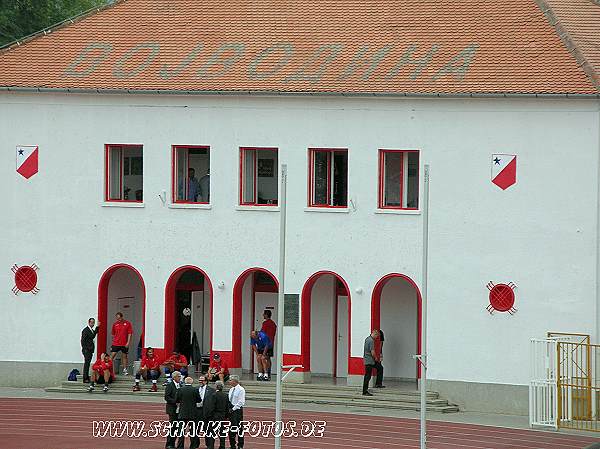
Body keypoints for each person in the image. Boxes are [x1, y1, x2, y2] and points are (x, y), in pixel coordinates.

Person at [176, 377, 201, 449]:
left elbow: (177, 399)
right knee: (193, 430)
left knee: (181, 430)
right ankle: (193, 446)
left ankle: (180, 446)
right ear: (191, 382)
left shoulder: (180, 389)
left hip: (182, 412)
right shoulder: (195, 390)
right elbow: (199, 400)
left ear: (185, 382)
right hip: (192, 413)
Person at [204, 380, 228, 449]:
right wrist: (226, 416)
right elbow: (227, 407)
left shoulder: (213, 395)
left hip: (214, 416)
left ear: (216, 387)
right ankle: (222, 446)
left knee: (212, 431)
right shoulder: (225, 395)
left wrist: (208, 416)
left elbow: (211, 407)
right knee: (222, 432)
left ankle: (211, 446)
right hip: (222, 416)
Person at [164, 371, 182, 449]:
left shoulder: (181, 385)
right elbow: (167, 397)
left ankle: (173, 443)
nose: (180, 378)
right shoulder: (169, 386)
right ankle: (169, 444)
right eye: (179, 376)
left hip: (179, 410)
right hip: (172, 409)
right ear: (174, 377)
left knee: (177, 427)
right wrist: (175, 402)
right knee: (173, 427)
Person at [362, 329, 383, 396]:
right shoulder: (371, 340)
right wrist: (376, 358)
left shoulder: (367, 339)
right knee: (367, 376)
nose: (376, 338)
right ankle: (364, 391)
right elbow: (372, 351)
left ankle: (378, 384)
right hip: (370, 361)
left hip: (369, 360)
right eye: (377, 336)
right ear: (375, 334)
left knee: (380, 368)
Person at [197, 375, 215, 449]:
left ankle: (209, 445)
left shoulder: (211, 390)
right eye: (199, 380)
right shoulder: (195, 389)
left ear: (206, 381)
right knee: (196, 429)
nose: (200, 382)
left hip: (207, 413)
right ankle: (195, 444)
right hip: (197, 412)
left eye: (202, 380)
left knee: (208, 429)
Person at [228, 376, 245, 449]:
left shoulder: (241, 389)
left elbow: (241, 402)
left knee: (239, 428)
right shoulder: (231, 389)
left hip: (237, 410)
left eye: (230, 380)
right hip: (231, 410)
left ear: (235, 381)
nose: (229, 381)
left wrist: (233, 409)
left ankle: (240, 445)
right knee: (231, 428)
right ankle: (232, 445)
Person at [80, 317, 100, 383]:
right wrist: (85, 349)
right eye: (91, 322)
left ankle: (86, 377)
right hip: (87, 350)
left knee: (87, 364)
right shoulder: (86, 330)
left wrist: (97, 328)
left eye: (93, 323)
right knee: (87, 364)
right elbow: (84, 340)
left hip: (89, 350)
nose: (92, 324)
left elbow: (93, 335)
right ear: (89, 322)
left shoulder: (90, 330)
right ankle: (85, 378)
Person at [260, 309, 277, 378]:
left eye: (264, 314)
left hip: (265, 344)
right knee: (268, 358)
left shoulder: (265, 323)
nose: (263, 315)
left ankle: (265, 372)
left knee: (263, 358)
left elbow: (262, 333)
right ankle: (269, 372)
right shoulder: (273, 323)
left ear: (266, 315)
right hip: (271, 343)